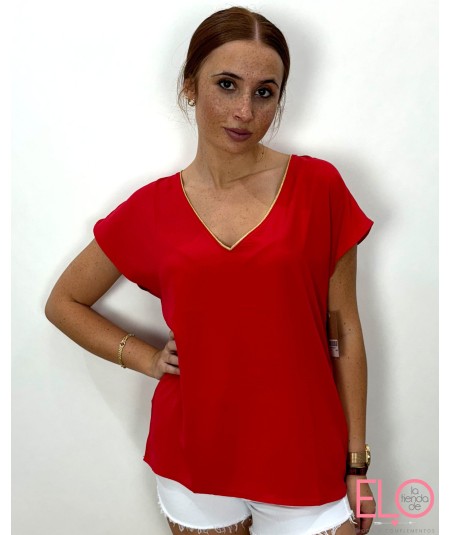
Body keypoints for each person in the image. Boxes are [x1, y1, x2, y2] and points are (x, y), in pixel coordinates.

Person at [45, 6, 377, 535]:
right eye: (227, 85)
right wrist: (146, 357)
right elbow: (64, 303)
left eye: (264, 92)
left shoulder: (320, 188)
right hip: (193, 457)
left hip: (306, 453)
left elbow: (346, 330)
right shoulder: (150, 209)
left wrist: (359, 464)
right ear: (190, 86)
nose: (244, 111)